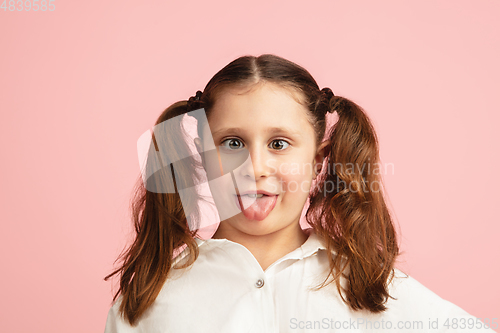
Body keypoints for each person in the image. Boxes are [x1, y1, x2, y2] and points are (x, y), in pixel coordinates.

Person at [103, 54, 496, 332]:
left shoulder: (370, 289)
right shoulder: (149, 301)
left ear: (318, 159)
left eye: (279, 144)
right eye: (233, 143)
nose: (255, 168)